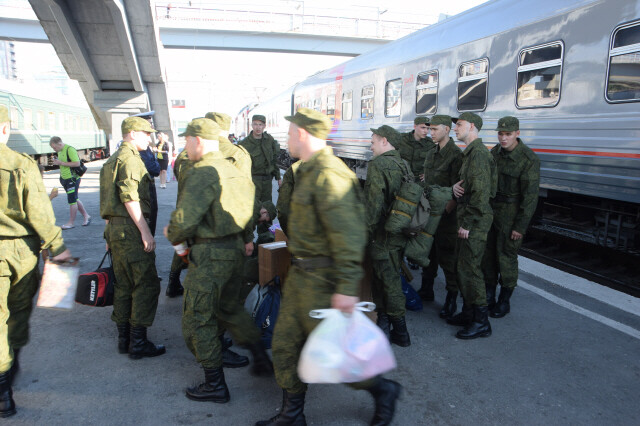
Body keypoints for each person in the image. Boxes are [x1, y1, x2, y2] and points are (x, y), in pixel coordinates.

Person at [256, 108, 401, 426]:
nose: (287, 137)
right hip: (300, 275)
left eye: (290, 132)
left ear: (302, 134)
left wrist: (347, 288)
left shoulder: (329, 173)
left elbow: (350, 235)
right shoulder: (306, 170)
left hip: (323, 280)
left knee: (338, 356)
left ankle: (382, 389)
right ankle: (292, 415)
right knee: (284, 346)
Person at [165, 118, 272, 403]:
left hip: (210, 255)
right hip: (236, 251)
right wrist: (247, 237)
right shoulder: (235, 168)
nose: (185, 147)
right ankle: (259, 354)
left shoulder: (204, 171)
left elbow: (183, 223)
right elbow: (250, 209)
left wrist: (172, 232)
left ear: (198, 140)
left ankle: (214, 384)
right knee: (229, 309)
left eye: (187, 140)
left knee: (198, 320)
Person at [0, 105, 72, 417]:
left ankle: (2, 388)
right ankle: (7, 376)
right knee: (16, 313)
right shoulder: (19, 164)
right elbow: (39, 212)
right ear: (6, 130)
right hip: (19, 253)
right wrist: (57, 247)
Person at [99, 116, 166, 359]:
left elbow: (108, 201)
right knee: (146, 284)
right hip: (131, 231)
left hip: (116, 231)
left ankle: (124, 338)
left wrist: (109, 233)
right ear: (133, 134)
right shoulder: (130, 160)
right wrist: (145, 232)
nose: (150, 138)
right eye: (146, 133)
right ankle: (138, 342)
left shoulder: (111, 161)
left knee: (124, 284)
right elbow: (130, 198)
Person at [482, 116, 540, 318]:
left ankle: (504, 300)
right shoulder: (495, 153)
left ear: (517, 133)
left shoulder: (528, 159)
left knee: (506, 257)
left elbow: (530, 198)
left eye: (508, 134)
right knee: (488, 256)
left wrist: (520, 227)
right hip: (492, 212)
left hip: (511, 213)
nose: (503, 138)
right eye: (500, 133)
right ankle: (489, 295)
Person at [448, 112, 497, 340]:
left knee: (471, 270)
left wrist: (467, 223)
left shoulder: (477, 154)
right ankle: (469, 313)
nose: (455, 129)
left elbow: (481, 194)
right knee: (462, 267)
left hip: (474, 220)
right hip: (467, 215)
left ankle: (481, 322)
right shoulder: (470, 154)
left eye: (459, 125)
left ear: (473, 126)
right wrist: (457, 187)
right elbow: (472, 185)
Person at [365, 125, 412, 347]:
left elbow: (373, 208)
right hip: (399, 232)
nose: (371, 144)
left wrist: (363, 236)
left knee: (388, 281)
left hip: (382, 235)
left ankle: (401, 332)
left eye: (373, 140)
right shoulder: (403, 164)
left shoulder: (378, 165)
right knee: (386, 277)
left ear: (385, 141)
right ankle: (384, 327)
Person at [421, 115, 463, 319]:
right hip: (429, 213)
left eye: (435, 129)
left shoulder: (456, 155)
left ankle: (451, 298)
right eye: (430, 129)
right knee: (428, 254)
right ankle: (426, 289)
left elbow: (459, 189)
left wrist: (445, 209)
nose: (431, 133)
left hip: (446, 217)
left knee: (448, 257)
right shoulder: (431, 153)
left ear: (447, 129)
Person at [49, 136, 91, 229]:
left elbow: (77, 163)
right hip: (65, 179)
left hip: (72, 179)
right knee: (74, 199)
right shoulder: (60, 151)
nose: (54, 150)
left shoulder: (70, 149)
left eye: (55, 147)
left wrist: (61, 163)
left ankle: (71, 223)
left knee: (72, 201)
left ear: (60, 144)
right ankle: (86, 215)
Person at [239, 114, 281, 203]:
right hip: (253, 182)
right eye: (255, 124)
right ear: (252, 125)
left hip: (267, 182)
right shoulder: (244, 144)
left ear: (264, 126)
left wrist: (278, 178)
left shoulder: (269, 140)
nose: (258, 127)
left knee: (268, 208)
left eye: (260, 124)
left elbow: (273, 159)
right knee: (253, 209)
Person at [276, 160, 302, 236]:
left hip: (302, 236)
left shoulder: (294, 169)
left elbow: (283, 211)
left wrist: (289, 236)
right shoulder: (335, 166)